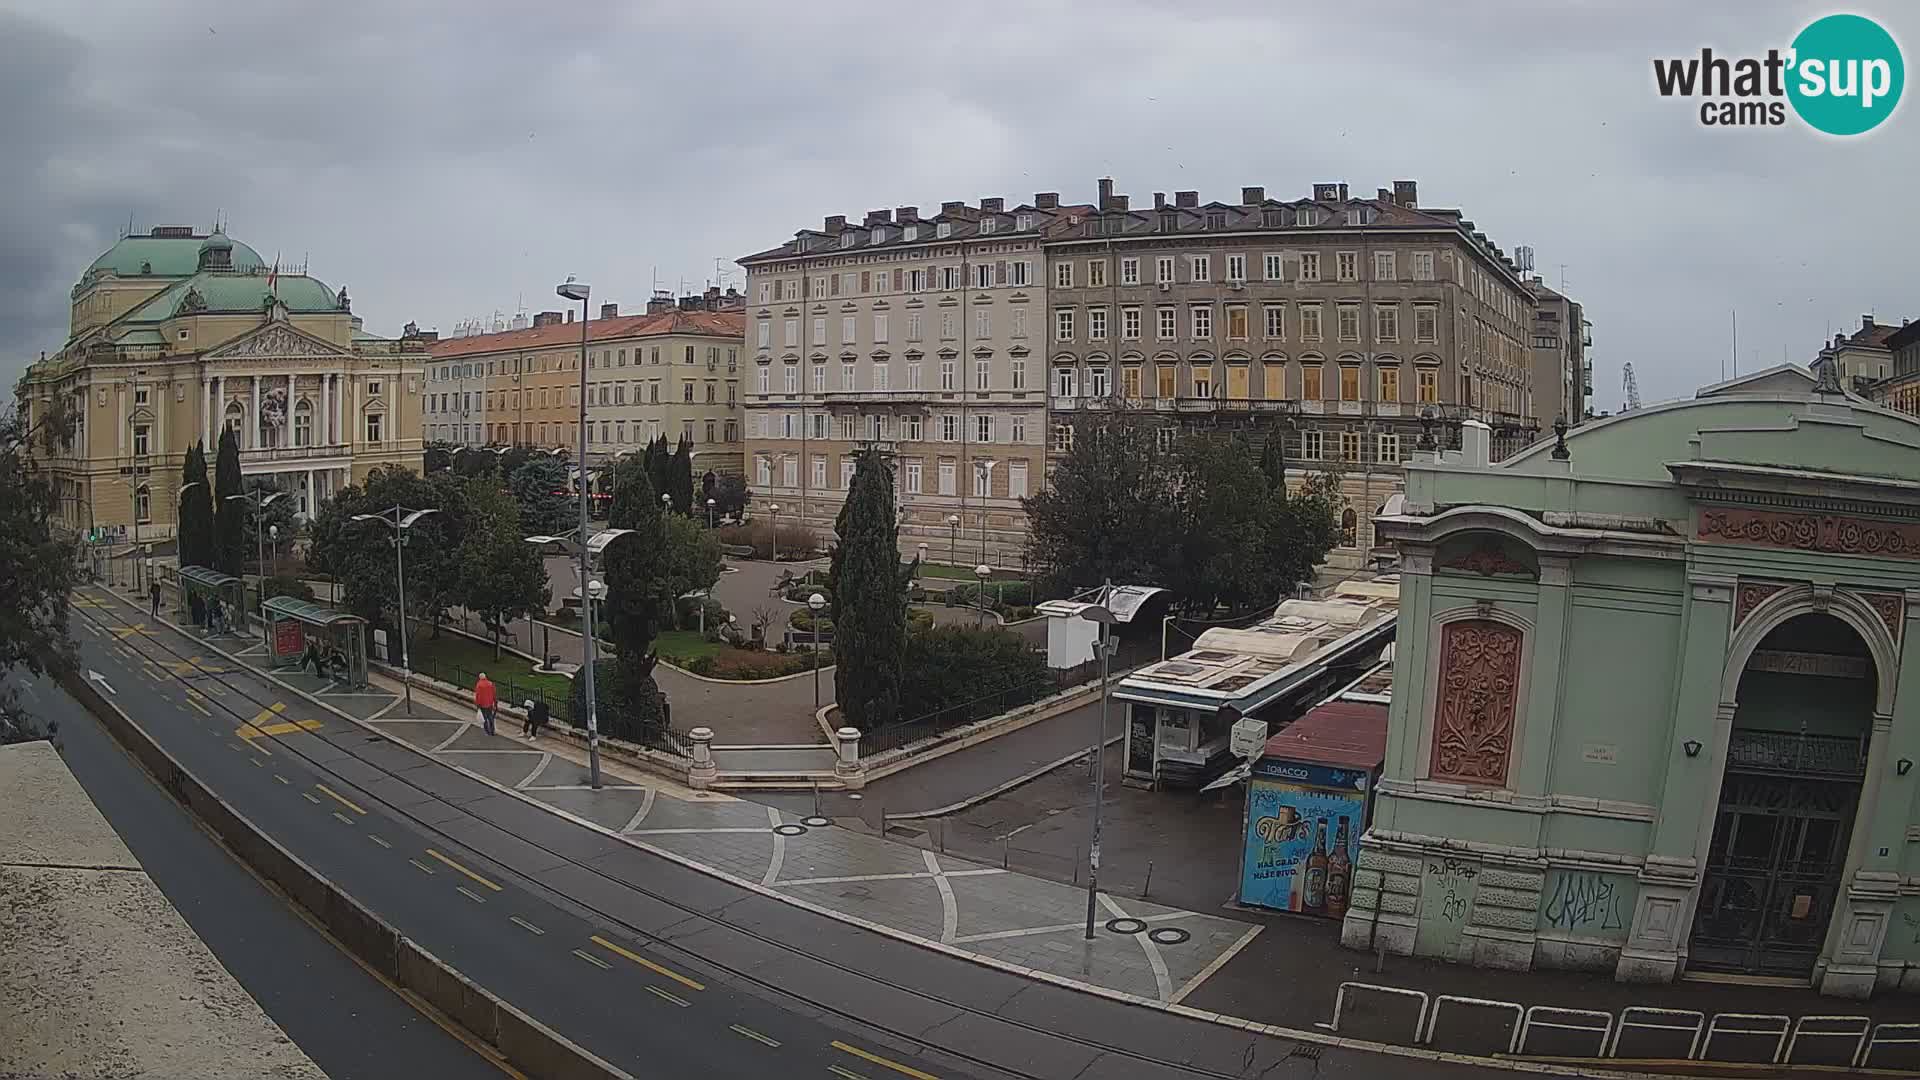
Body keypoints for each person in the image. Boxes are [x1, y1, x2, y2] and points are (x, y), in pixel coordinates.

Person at [473, 672, 497, 736]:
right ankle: (492, 731)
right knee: (490, 717)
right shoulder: (490, 683)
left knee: (484, 718)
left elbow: (478, 696)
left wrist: (477, 704)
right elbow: (494, 694)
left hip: (482, 704)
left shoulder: (479, 685)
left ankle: (487, 731)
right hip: (490, 703)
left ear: (480, 678)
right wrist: (495, 702)